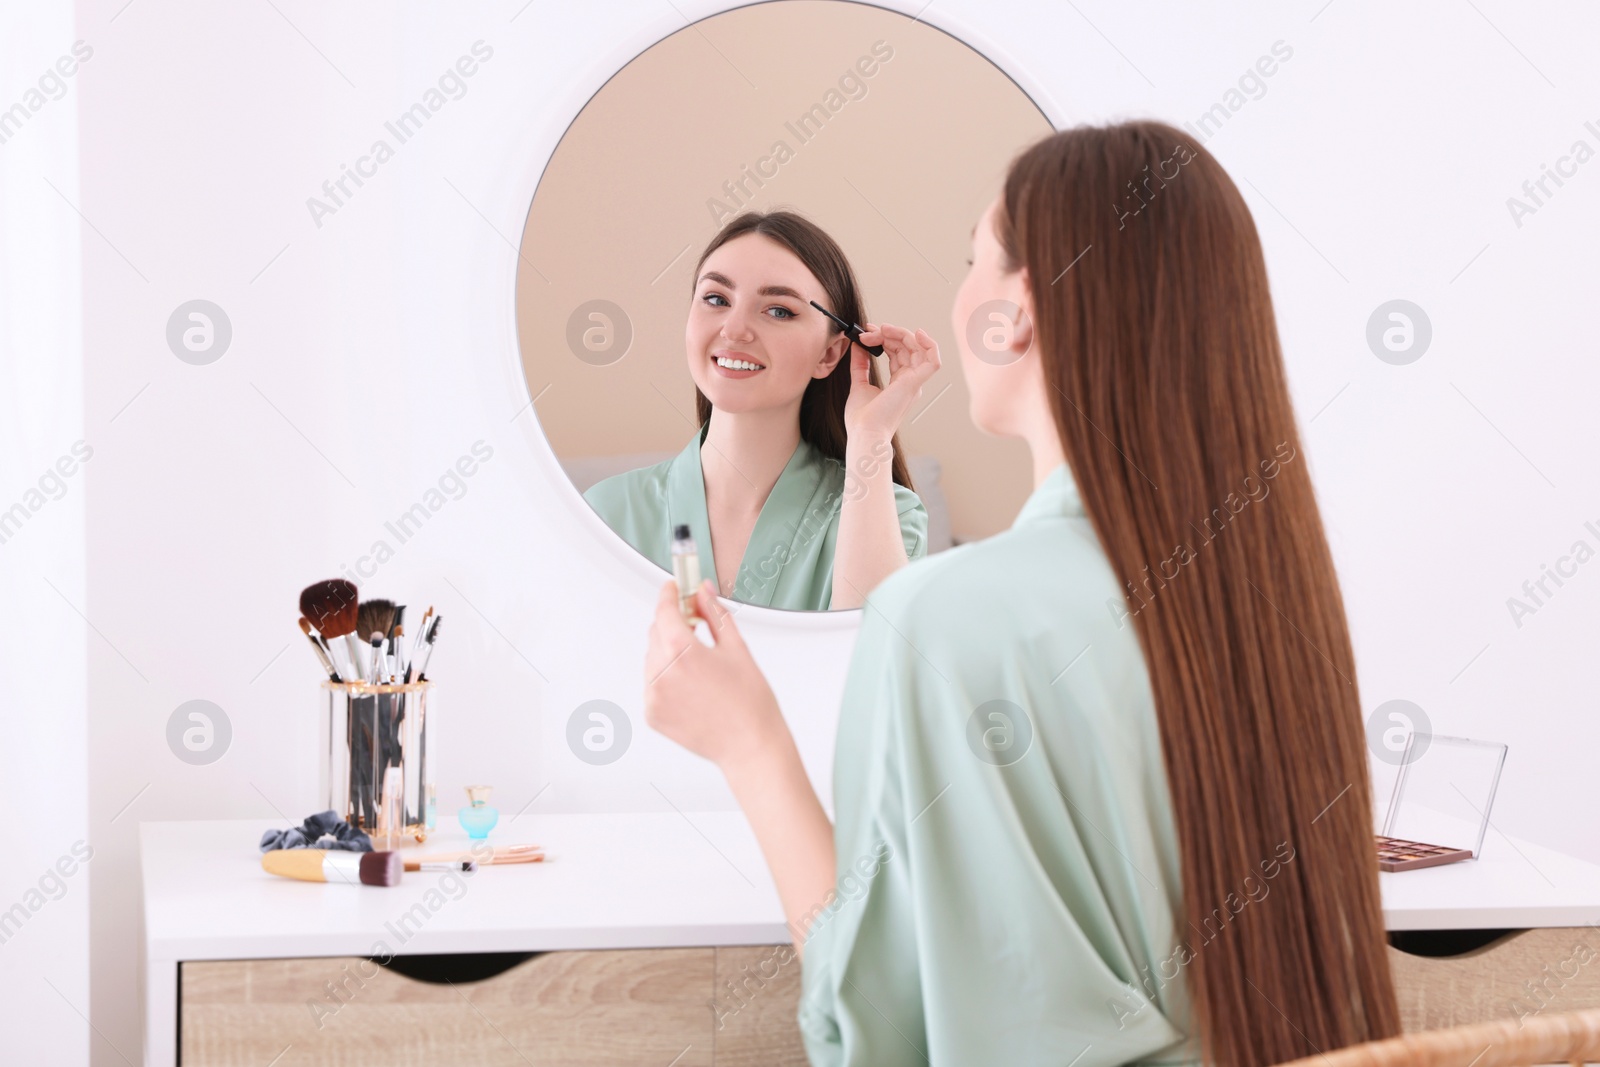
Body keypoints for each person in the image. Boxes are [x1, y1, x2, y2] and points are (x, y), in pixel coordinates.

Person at [642, 121, 1400, 1066]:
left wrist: (748, 743)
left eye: (975, 260)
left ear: (1026, 310)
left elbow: (876, 1031)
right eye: (714, 297)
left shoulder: (942, 620)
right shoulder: (1267, 605)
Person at [584, 210, 938, 611]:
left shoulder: (889, 516)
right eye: (716, 299)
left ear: (830, 353)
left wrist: (870, 437)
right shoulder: (605, 513)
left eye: (779, 310)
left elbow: (872, 662)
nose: (734, 330)